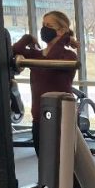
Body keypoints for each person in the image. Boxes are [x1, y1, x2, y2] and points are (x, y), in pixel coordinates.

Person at [11, 11, 79, 156]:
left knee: (64, 165)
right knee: (44, 162)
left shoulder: (69, 56)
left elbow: (51, 62)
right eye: (43, 25)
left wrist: (65, 39)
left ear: (61, 31)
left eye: (49, 25)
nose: (44, 29)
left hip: (62, 116)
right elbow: (15, 50)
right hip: (39, 116)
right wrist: (28, 37)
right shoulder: (36, 55)